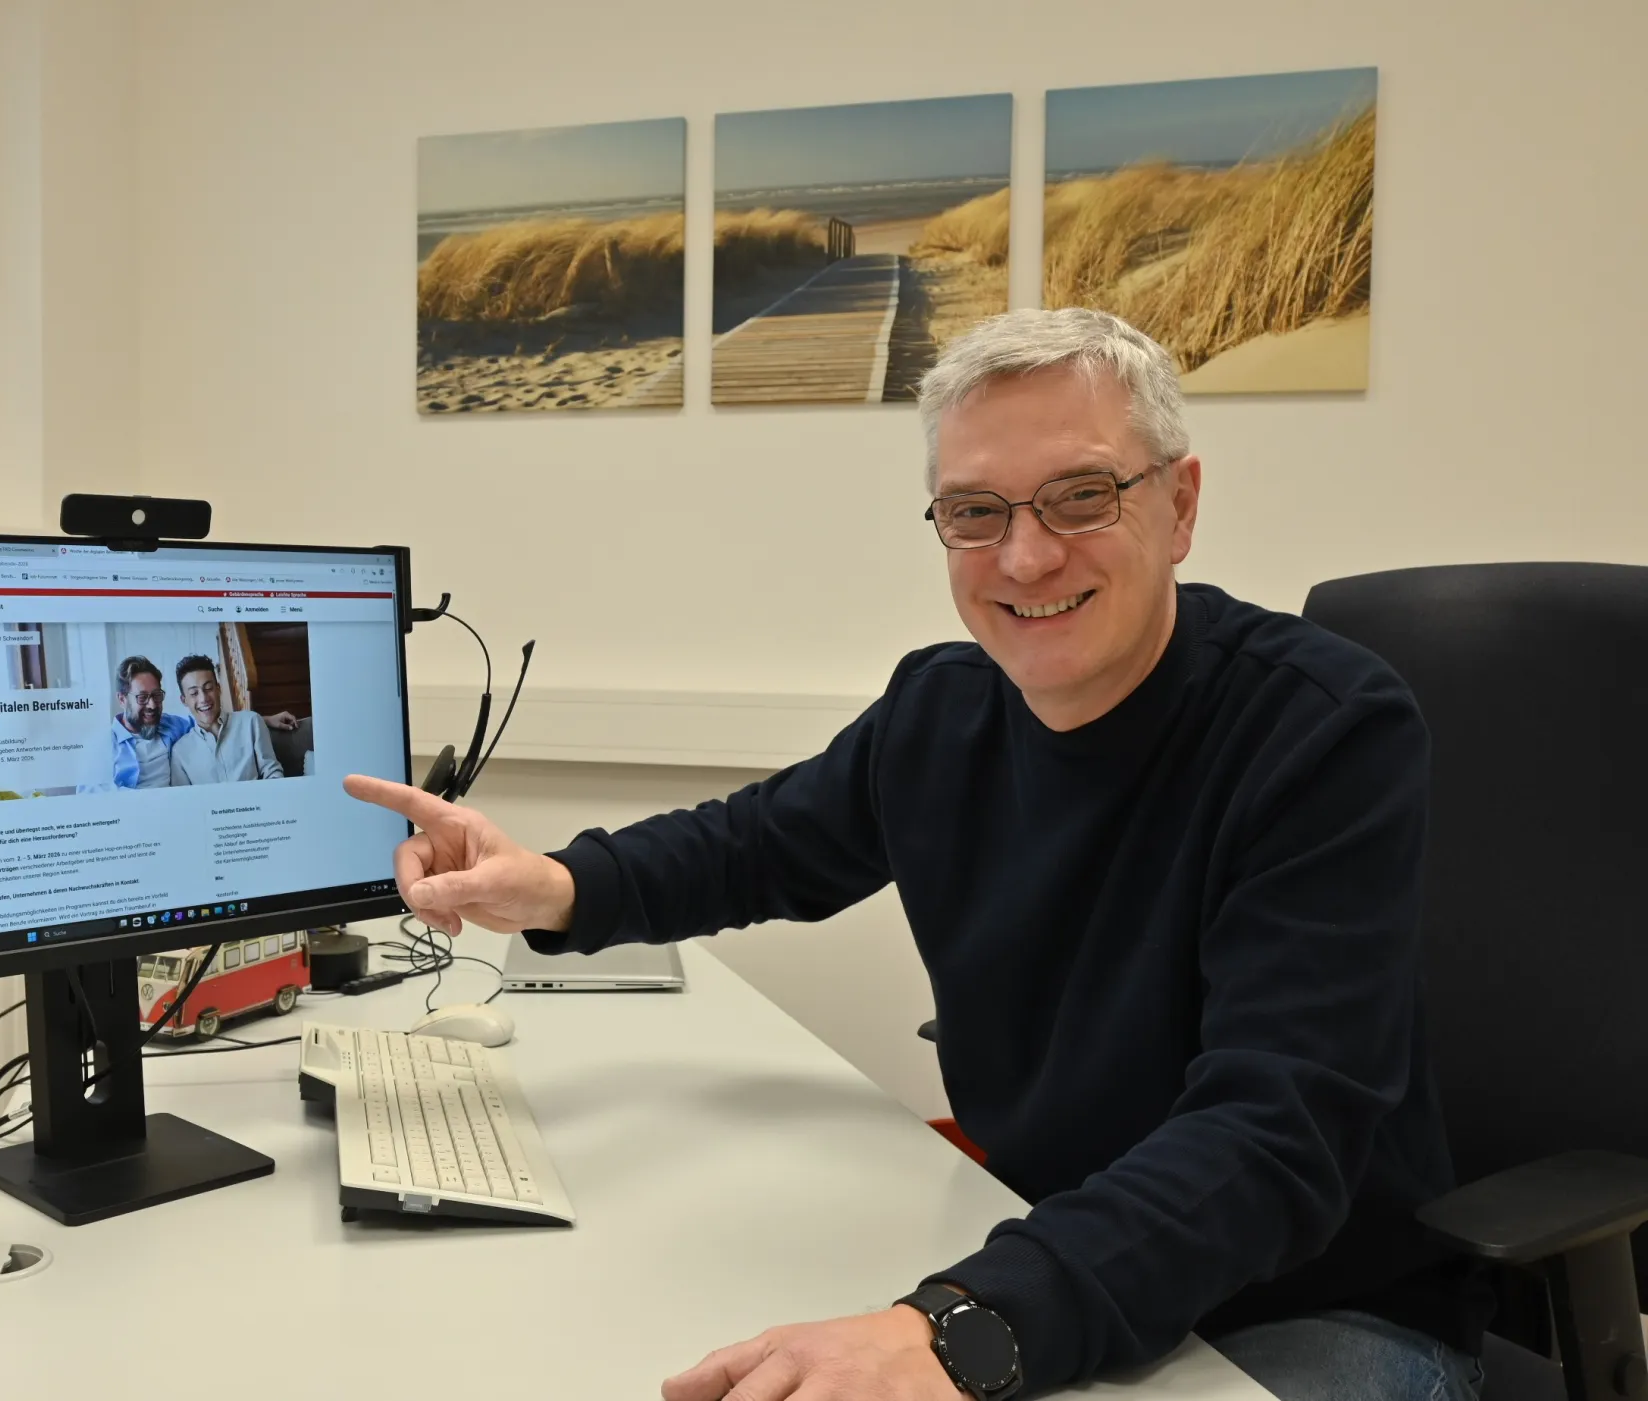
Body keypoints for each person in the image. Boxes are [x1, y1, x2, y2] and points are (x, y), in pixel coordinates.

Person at [343, 309, 1489, 1401]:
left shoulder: (1322, 727)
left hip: (1309, 1309)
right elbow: (756, 845)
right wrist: (555, 884)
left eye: (1081, 496)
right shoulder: (943, 712)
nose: (1025, 557)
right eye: (976, 511)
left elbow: (1272, 1135)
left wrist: (960, 1324)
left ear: (1179, 507)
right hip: (1055, 1248)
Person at [168, 654, 297, 785]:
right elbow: (184, 801)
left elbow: (272, 773)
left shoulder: (250, 722)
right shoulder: (180, 752)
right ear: (184, 700)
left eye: (208, 688)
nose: (203, 699)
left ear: (218, 689)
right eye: (194, 693)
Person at [111, 656, 193, 788]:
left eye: (157, 695)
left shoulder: (172, 725)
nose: (152, 705)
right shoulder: (105, 747)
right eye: (142, 697)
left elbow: (203, 720)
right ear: (122, 699)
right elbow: (92, 799)